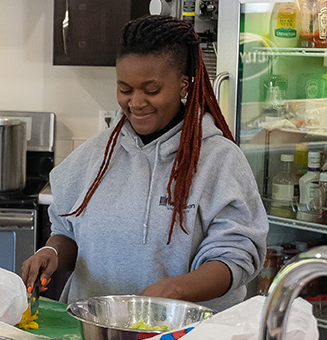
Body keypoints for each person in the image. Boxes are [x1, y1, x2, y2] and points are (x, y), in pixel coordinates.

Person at [21, 16, 267, 311]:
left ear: (184, 84)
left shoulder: (218, 159)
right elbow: (69, 234)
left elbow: (236, 256)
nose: (136, 102)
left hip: (183, 339)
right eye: (125, 89)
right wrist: (52, 252)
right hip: (95, 331)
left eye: (151, 91)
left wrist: (178, 289)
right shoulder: (95, 156)